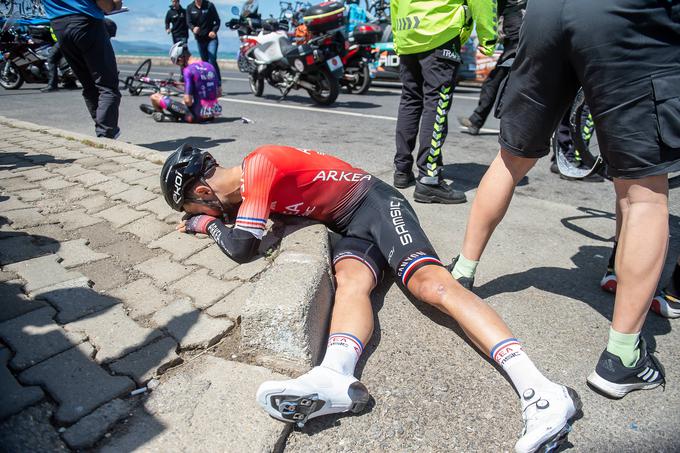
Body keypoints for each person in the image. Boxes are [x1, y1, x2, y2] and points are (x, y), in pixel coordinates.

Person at [160, 143, 581, 453]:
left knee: (431, 286)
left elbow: (240, 249)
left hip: (373, 202)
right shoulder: (253, 187)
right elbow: (253, 233)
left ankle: (542, 391)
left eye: (194, 208)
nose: (203, 215)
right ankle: (334, 376)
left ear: (200, 193)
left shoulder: (260, 165)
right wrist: (224, 223)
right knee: (351, 282)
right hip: (346, 224)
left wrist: (204, 227)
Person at [451, 0, 678, 398]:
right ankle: (622, 358)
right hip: (627, 16)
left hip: (546, 10)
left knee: (510, 159)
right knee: (643, 193)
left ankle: (462, 272)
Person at [391, 0, 496, 204]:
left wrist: (398, 39)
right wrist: (488, 37)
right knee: (436, 103)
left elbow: (394, 3)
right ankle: (429, 180)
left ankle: (402, 170)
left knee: (410, 100)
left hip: (408, 34)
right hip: (440, 31)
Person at [41, 0, 122, 139]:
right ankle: (105, 134)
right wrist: (115, 4)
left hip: (58, 24)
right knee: (107, 84)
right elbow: (105, 4)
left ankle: (103, 130)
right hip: (85, 21)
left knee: (89, 84)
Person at [458, 0, 526, 136]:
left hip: (515, 37)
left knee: (496, 81)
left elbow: (490, 10)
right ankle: (477, 120)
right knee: (505, 80)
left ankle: (477, 120)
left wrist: (488, 38)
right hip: (523, 35)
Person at [139, 42, 221, 123]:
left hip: (195, 117)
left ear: (181, 58)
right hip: (211, 115)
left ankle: (165, 116)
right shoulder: (210, 66)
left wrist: (183, 103)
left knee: (154, 97)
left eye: (177, 63)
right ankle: (172, 116)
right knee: (184, 103)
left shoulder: (188, 70)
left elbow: (188, 101)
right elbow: (218, 93)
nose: (180, 66)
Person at [186, 0, 221, 86]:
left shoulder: (209, 5)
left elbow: (217, 21)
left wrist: (214, 31)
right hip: (200, 40)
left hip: (211, 39)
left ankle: (217, 82)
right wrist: (193, 28)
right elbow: (189, 22)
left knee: (211, 59)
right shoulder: (190, 8)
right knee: (205, 63)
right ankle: (208, 83)